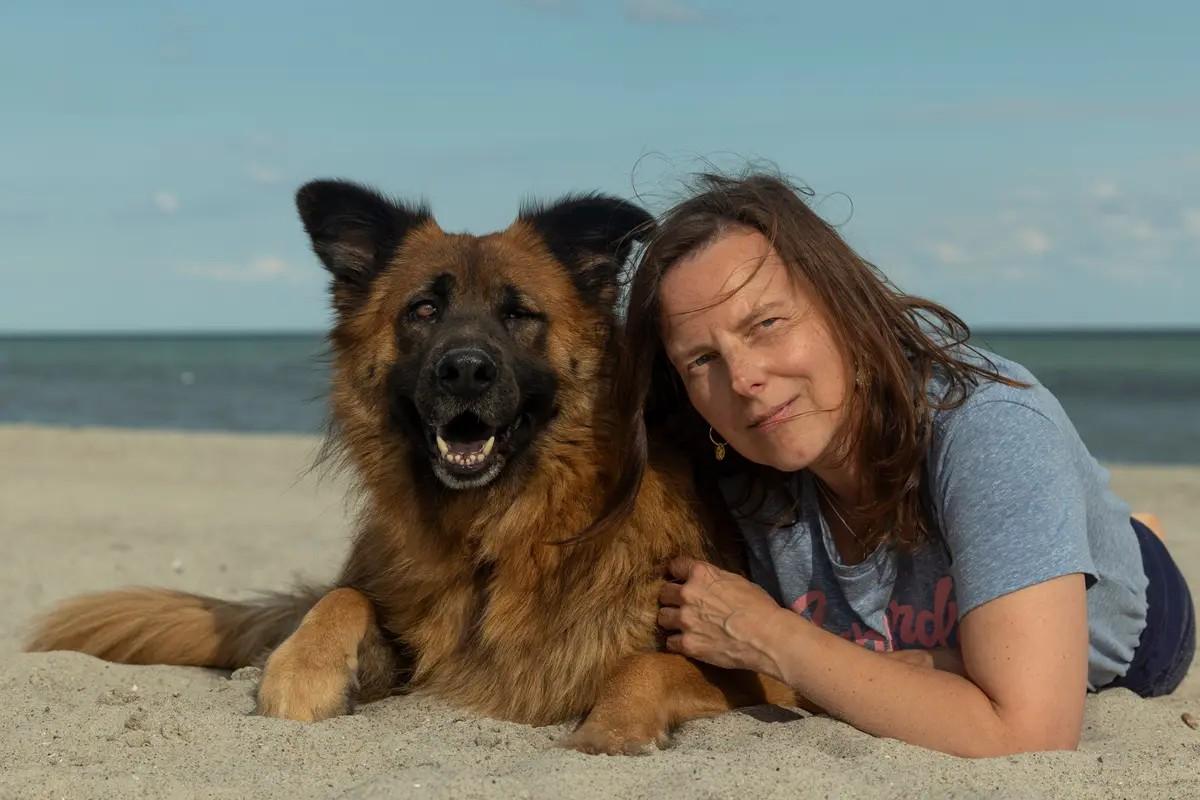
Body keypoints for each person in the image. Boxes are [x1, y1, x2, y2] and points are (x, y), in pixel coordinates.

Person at [594, 171, 1194, 757]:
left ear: (840, 304)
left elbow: (1028, 735)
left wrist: (770, 635)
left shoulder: (991, 424)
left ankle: (1121, 534)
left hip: (1138, 630)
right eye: (702, 359)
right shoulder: (726, 463)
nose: (745, 380)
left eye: (767, 324)